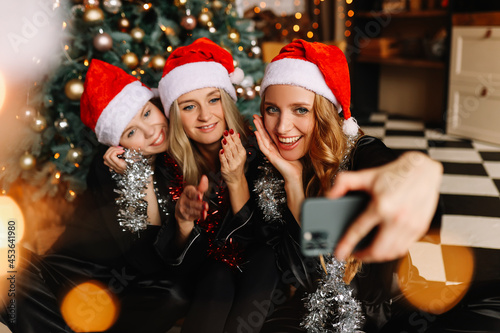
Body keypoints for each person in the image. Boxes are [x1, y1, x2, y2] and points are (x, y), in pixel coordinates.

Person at [251, 39, 443, 331]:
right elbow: (306, 276)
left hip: (382, 313)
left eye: (300, 110)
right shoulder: (272, 169)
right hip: (316, 306)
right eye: (272, 109)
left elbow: (394, 174)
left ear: (326, 113)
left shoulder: (361, 152)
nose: (281, 127)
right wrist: (292, 181)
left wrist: (417, 177)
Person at [0, 59, 190, 333]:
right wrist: (138, 176)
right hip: (68, 277)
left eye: (147, 114)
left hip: (119, 293)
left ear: (156, 105)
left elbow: (153, 267)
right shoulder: (109, 168)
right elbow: (143, 257)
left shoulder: (179, 162)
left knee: (175, 295)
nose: (151, 132)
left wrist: (143, 176)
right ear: (118, 144)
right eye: (131, 132)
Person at [153, 37, 279, 333]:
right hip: (205, 271)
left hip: (259, 268)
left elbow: (263, 237)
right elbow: (170, 260)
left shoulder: (259, 148)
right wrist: (183, 221)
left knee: (264, 258)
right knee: (218, 273)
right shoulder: (167, 165)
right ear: (175, 115)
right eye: (189, 106)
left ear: (226, 101)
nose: (205, 115)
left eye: (213, 99)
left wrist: (236, 180)